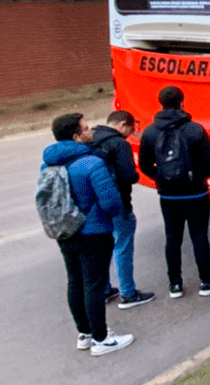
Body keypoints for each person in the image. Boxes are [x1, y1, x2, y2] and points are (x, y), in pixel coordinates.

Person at [44, 113, 133, 356]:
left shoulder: (49, 164)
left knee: (75, 281)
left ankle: (84, 333)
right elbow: (111, 203)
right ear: (76, 136)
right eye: (85, 128)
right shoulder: (92, 163)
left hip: (65, 231)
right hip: (93, 232)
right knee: (94, 285)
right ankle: (101, 339)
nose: (90, 130)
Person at [138, 85, 210, 299]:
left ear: (160, 103)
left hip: (168, 195)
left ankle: (175, 284)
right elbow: (209, 162)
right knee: (199, 236)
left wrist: (161, 178)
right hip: (196, 193)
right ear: (182, 102)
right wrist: (199, 178)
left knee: (172, 239)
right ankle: (207, 281)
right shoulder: (195, 129)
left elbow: (145, 164)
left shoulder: (150, 132)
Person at [91, 111, 154, 309]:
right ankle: (128, 293)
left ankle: (104, 290)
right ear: (122, 124)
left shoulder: (90, 139)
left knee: (102, 249)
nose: (130, 133)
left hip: (95, 205)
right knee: (122, 247)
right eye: (130, 129)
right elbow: (128, 175)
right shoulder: (119, 144)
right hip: (118, 204)